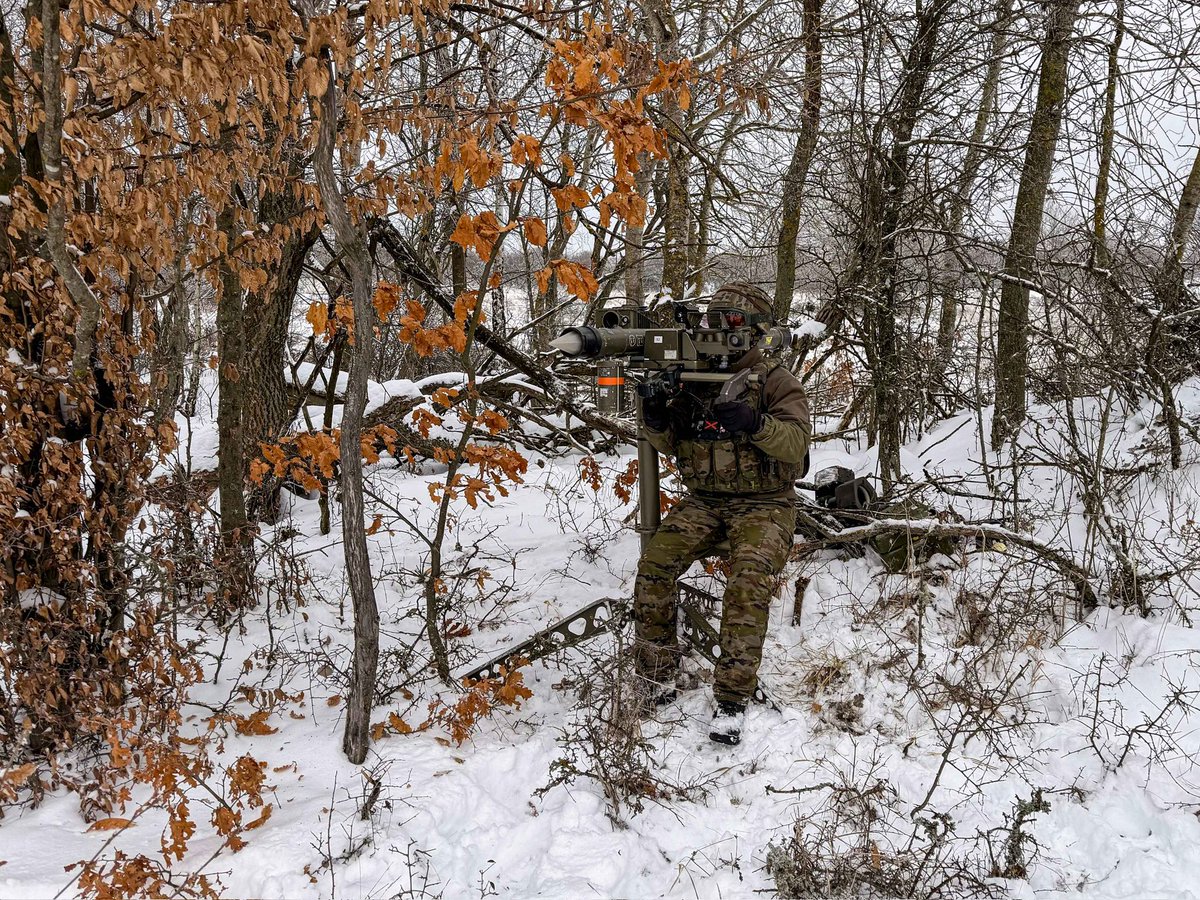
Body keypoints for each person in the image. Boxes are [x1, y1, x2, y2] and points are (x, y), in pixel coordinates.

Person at [633, 281, 811, 745]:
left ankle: (732, 699)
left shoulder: (775, 380)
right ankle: (657, 676)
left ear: (751, 330)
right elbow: (672, 443)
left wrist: (756, 423)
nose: (717, 333)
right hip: (705, 500)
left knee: (749, 578)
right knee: (655, 565)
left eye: (729, 324)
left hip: (765, 502)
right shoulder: (692, 374)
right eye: (712, 322)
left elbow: (796, 446)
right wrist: (655, 415)